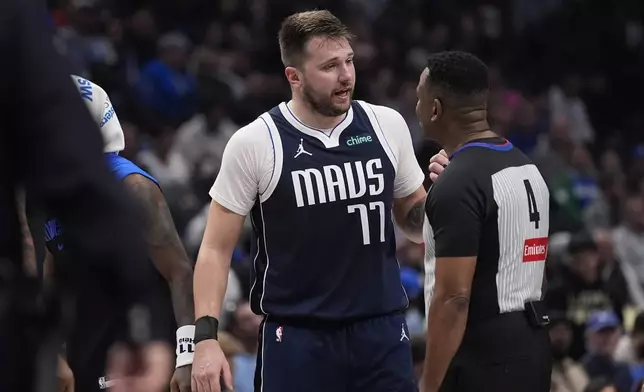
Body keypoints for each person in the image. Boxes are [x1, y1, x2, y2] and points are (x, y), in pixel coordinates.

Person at [191, 10, 426, 392]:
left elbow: (414, 224)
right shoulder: (256, 143)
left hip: (381, 331)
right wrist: (204, 339)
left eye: (349, 61)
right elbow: (215, 250)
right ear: (294, 76)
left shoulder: (386, 124)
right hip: (298, 336)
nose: (347, 75)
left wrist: (443, 202)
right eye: (330, 66)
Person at [0, 0, 171, 391]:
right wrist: (140, 321)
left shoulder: (136, 186)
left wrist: (185, 347)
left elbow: (178, 270)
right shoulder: (12, 17)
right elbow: (74, 172)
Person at [34, 76, 195, 392]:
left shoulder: (134, 189)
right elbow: (51, 268)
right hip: (83, 348)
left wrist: (187, 356)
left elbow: (180, 272)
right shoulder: (48, 189)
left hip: (136, 352)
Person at [417, 51, 552, 392]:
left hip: (483, 354)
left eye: (419, 97)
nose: (415, 105)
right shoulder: (526, 166)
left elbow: (453, 299)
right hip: (533, 345)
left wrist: (429, 386)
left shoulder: (459, 183)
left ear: (435, 108)